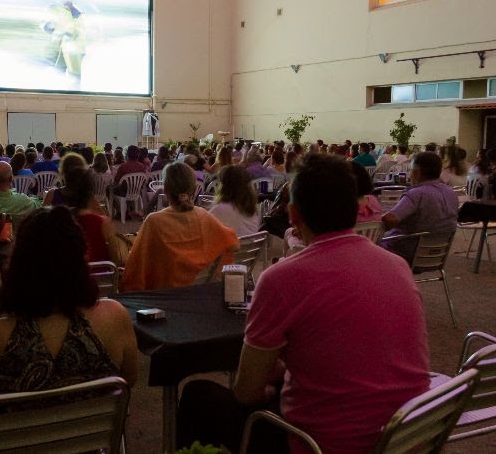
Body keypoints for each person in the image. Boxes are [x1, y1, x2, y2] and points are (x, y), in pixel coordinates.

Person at [177, 153, 429, 453]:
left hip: (322, 444)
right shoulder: (397, 266)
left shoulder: (281, 279)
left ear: (293, 214)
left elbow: (246, 392)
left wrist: (268, 389)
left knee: (198, 395)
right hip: (404, 437)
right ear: (357, 207)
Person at [0, 207, 138, 446]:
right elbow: (128, 379)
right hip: (86, 445)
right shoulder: (114, 317)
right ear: (80, 258)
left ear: (19, 263)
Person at [119, 162, 238, 291]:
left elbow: (136, 267)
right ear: (193, 190)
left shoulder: (154, 221)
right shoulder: (203, 216)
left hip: (163, 295)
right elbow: (233, 243)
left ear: (165, 190)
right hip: (197, 292)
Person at [381, 151, 458, 261]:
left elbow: (391, 219)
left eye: (410, 170)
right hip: (437, 255)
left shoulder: (416, 194)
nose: (409, 175)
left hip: (405, 253)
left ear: (417, 173)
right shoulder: (451, 193)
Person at [209, 165, 261, 237]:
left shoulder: (220, 209)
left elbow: (206, 230)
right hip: (250, 244)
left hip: (231, 244)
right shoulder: (253, 210)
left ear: (223, 186)